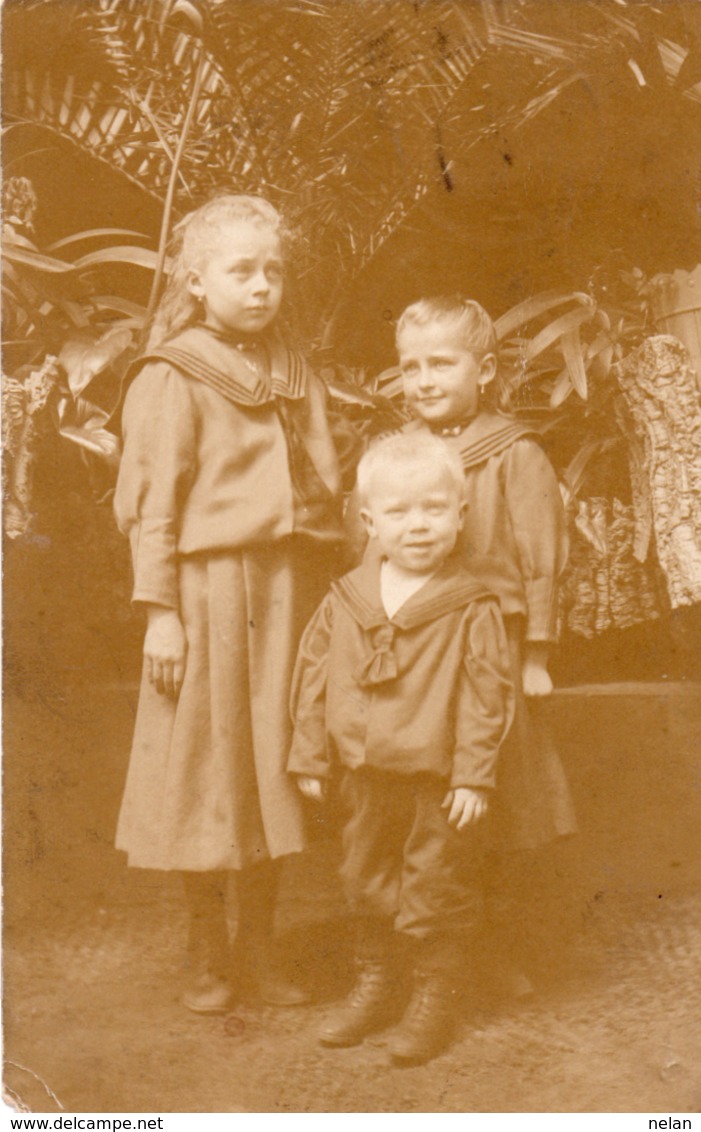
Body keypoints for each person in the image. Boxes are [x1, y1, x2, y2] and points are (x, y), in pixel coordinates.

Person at [113, 194, 344, 1015]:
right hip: (204, 593)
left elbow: (324, 482)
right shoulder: (172, 374)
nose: (260, 286)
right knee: (205, 767)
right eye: (240, 271)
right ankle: (208, 952)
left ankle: (261, 948)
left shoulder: (291, 367)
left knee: (275, 764)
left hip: (286, 586)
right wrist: (160, 612)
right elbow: (152, 504)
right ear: (196, 280)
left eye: (272, 270)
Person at [288, 433, 514, 1065]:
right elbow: (312, 676)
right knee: (364, 876)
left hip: (435, 780)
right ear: (368, 522)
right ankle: (377, 983)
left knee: (435, 882)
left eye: (434, 509)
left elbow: (486, 695)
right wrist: (310, 753)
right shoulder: (347, 599)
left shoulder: (471, 605)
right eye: (399, 512)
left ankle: (435, 994)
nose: (418, 527)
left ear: (460, 514)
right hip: (362, 775)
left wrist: (473, 775)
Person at [392, 295, 578, 987]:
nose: (425, 380)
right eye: (410, 367)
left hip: (494, 649)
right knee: (433, 799)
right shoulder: (400, 455)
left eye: (441, 363)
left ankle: (500, 949)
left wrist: (534, 654)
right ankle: (435, 951)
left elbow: (539, 559)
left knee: (497, 798)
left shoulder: (513, 453)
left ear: (486, 370)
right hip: (422, 650)